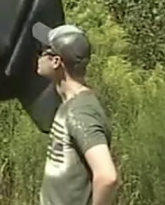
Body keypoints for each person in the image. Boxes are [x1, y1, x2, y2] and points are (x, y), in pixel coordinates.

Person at [33, 23, 119, 205]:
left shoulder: (81, 113)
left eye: (42, 50)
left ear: (56, 62)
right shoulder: (70, 104)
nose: (38, 56)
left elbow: (107, 176)